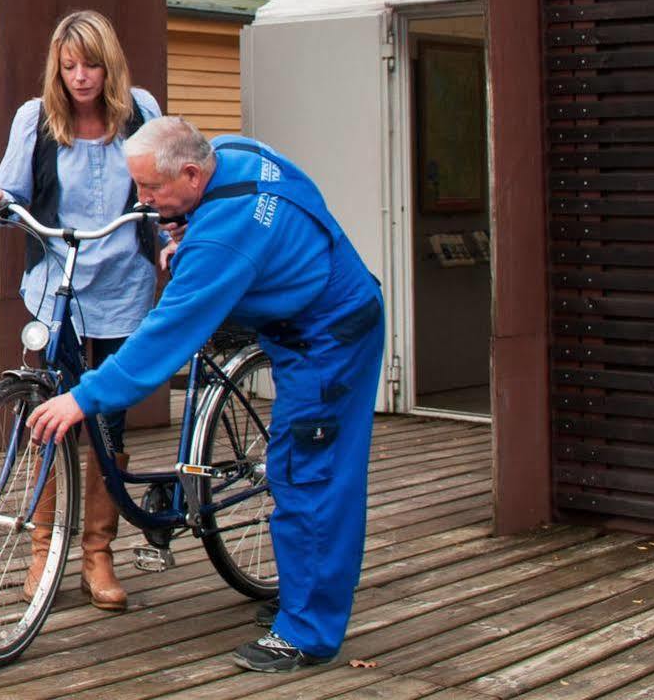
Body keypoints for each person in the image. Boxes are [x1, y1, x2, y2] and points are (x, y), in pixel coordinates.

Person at [26, 116, 385, 674]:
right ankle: (305, 599)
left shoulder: (224, 239)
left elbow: (164, 337)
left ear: (192, 172)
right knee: (299, 467)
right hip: (300, 317)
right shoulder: (233, 150)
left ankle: (308, 634)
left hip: (330, 338)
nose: (143, 202)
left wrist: (82, 397)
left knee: (311, 478)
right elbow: (292, 193)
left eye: (152, 190)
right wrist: (184, 226)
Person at [0, 9, 159, 610]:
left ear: (110, 66)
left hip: (123, 282)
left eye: (92, 64)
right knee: (49, 414)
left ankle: (97, 555)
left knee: (109, 420)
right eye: (70, 64)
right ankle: (42, 550)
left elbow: (167, 185)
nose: (81, 77)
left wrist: (173, 232)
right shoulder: (37, 119)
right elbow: (10, 187)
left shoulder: (141, 113)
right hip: (58, 284)